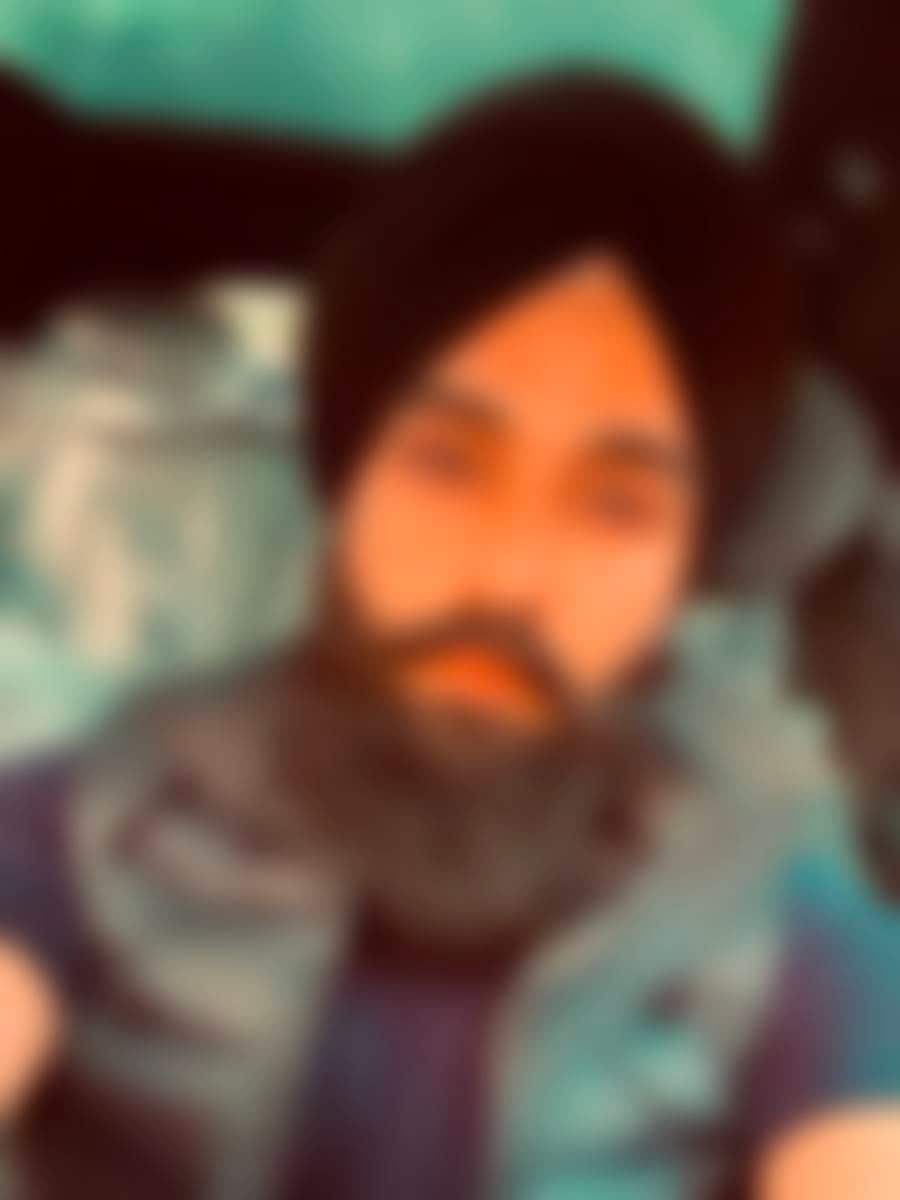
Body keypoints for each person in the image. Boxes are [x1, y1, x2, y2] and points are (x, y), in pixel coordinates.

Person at [2, 72, 900, 1200]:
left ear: (688, 562)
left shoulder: (785, 926)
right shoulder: (85, 828)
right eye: (448, 463)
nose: (510, 576)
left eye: (615, 503)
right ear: (349, 478)